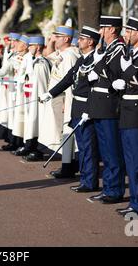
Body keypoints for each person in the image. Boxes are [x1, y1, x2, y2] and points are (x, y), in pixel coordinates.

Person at [40, 26, 100, 190]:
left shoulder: (95, 59)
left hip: (85, 108)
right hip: (77, 107)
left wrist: (88, 108)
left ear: (91, 41)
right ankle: (85, 179)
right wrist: (50, 94)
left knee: (88, 146)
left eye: (82, 38)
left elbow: (93, 89)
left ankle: (90, 181)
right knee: (82, 145)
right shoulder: (82, 59)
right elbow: (68, 79)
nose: (78, 41)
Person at [111, 17, 138, 219]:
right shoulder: (130, 54)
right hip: (126, 108)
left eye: (129, 32)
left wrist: (127, 71)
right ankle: (134, 201)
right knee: (130, 159)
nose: (126, 35)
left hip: (137, 110)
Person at [86, 15, 126, 204]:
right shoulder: (107, 49)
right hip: (100, 104)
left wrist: (100, 66)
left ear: (112, 29)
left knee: (112, 151)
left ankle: (114, 190)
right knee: (105, 151)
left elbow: (116, 74)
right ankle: (108, 187)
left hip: (109, 104)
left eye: (103, 27)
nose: (100, 31)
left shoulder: (118, 48)